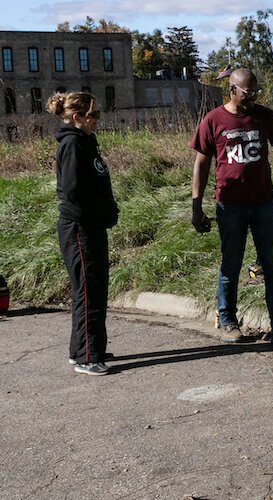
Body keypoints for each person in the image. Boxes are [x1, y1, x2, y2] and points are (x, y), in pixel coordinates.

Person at [190, 67, 273, 348]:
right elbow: (201, 164)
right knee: (231, 263)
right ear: (232, 89)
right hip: (230, 206)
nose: (252, 98)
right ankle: (228, 320)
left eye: (255, 93)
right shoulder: (213, 120)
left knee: (272, 265)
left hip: (263, 203)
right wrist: (196, 205)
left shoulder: (263, 116)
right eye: (247, 93)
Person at [48, 91, 118, 376]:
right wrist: (100, 212)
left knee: (93, 288)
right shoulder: (72, 145)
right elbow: (74, 192)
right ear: (77, 118)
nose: (98, 120)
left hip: (92, 225)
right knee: (88, 290)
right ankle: (87, 357)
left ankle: (85, 347)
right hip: (80, 227)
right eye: (94, 115)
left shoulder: (85, 142)